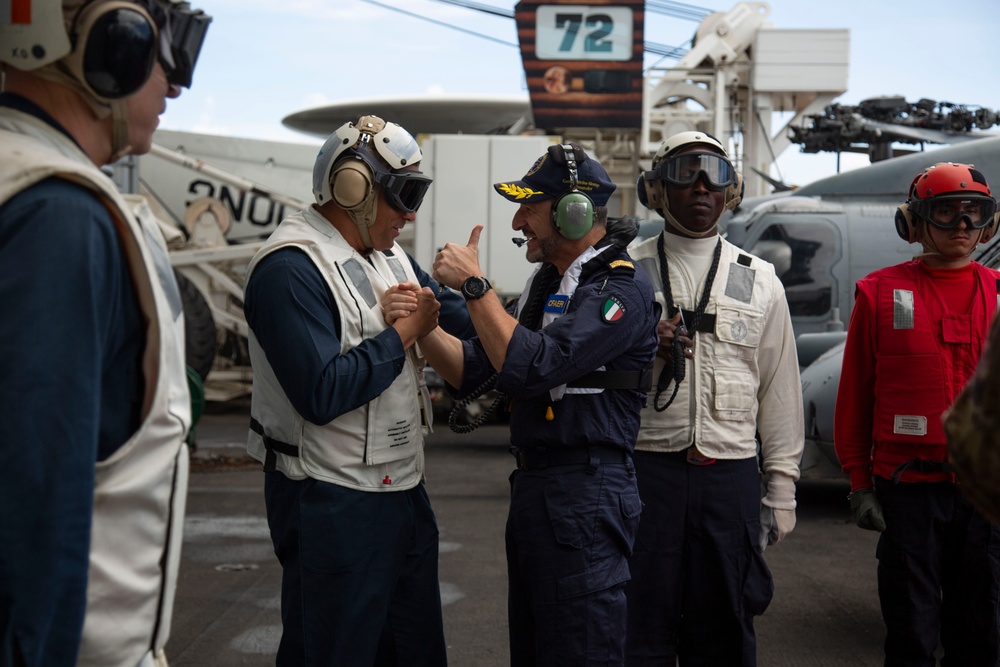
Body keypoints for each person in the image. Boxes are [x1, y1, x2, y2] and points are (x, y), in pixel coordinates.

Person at [382, 142, 661, 666]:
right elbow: (474, 370)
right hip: (542, 492)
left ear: (572, 214)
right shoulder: (548, 284)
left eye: (529, 207)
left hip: (588, 492)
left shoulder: (621, 289)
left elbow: (538, 365)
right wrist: (420, 325)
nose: (517, 219)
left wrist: (474, 285)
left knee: (578, 650)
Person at [0, 1, 210, 665]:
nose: (174, 86)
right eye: (167, 51)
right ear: (110, 43)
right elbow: (34, 531)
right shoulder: (59, 217)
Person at [243, 114, 472, 666]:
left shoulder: (389, 256)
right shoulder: (291, 267)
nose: (411, 213)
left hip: (401, 489)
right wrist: (402, 335)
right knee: (333, 649)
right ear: (355, 188)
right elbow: (320, 393)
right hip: (332, 497)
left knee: (413, 649)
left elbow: (464, 329)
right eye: (403, 195)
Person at [625, 131, 804, 666]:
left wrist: (782, 487)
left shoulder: (761, 279)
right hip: (645, 472)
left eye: (716, 176)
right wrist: (640, 343)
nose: (701, 187)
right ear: (657, 191)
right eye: (685, 175)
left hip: (729, 480)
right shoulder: (625, 270)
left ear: (732, 191)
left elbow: (779, 387)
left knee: (725, 629)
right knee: (638, 626)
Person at [834, 161, 1000, 666]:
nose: (963, 226)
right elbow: (855, 395)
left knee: (983, 636)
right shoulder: (880, 293)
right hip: (908, 491)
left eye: (974, 214)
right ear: (915, 223)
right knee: (910, 635)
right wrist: (859, 482)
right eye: (946, 214)